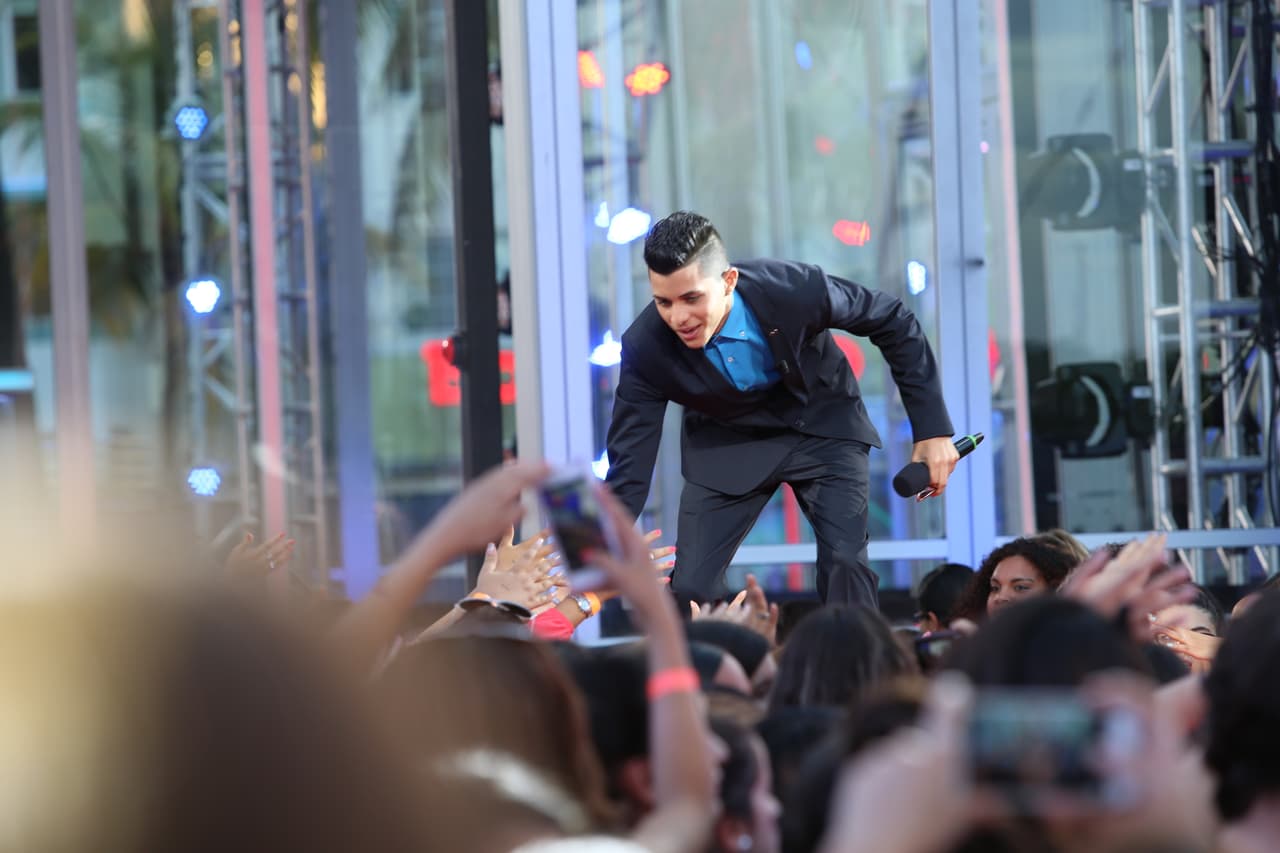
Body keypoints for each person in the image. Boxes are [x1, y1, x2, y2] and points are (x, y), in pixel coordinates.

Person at [604, 211, 957, 608]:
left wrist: (932, 430)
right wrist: (591, 552)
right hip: (726, 444)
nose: (678, 317)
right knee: (690, 590)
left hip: (822, 425)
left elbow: (893, 320)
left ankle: (858, 665)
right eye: (663, 302)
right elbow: (630, 461)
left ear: (728, 281)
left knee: (845, 564)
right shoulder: (645, 346)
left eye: (691, 298)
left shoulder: (793, 289)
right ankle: (722, 667)